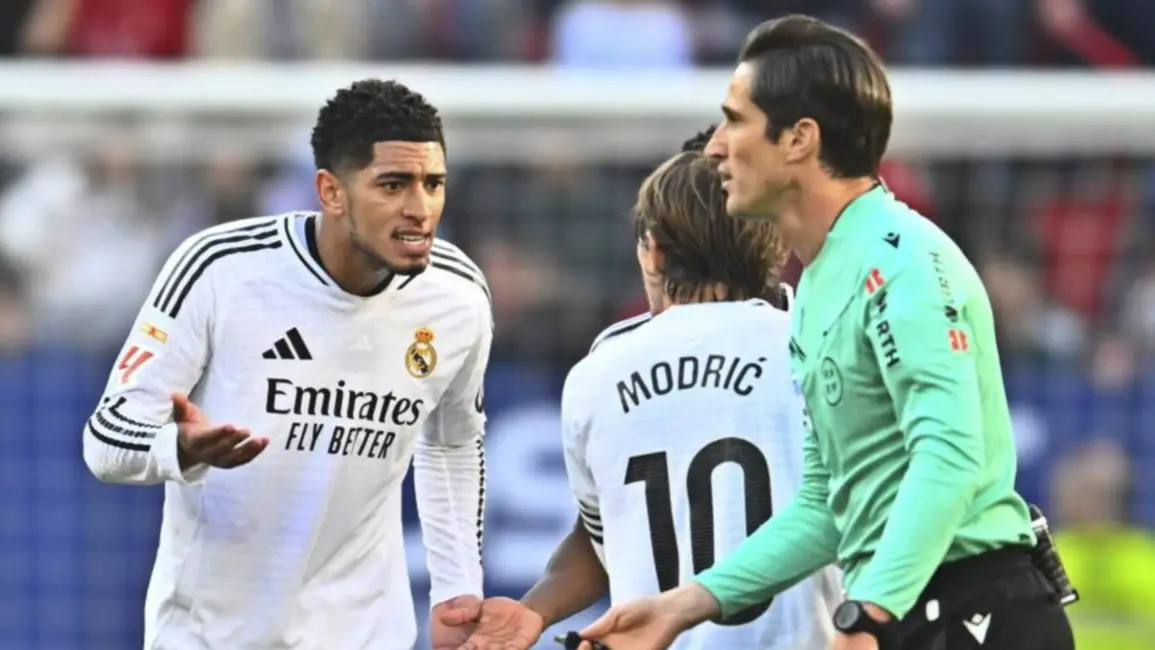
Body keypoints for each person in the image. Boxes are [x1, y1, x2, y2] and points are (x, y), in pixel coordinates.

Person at [572, 14, 1076, 650]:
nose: (716, 147)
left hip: (974, 609)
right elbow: (827, 503)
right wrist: (685, 604)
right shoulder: (815, 288)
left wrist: (871, 612)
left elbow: (948, 456)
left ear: (798, 140)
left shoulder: (902, 262)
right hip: (910, 611)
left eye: (735, 121)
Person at [81, 79, 492, 650]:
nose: (421, 209)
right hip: (213, 635)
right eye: (393, 185)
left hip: (364, 633)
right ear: (331, 191)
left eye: (433, 184)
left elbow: (451, 442)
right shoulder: (220, 269)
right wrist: (178, 447)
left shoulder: (457, 295)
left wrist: (457, 586)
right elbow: (106, 439)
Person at [440, 129, 841, 650]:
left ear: (653, 253)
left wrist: (534, 609)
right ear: (776, 244)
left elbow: (605, 535)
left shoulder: (598, 375)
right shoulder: (819, 345)